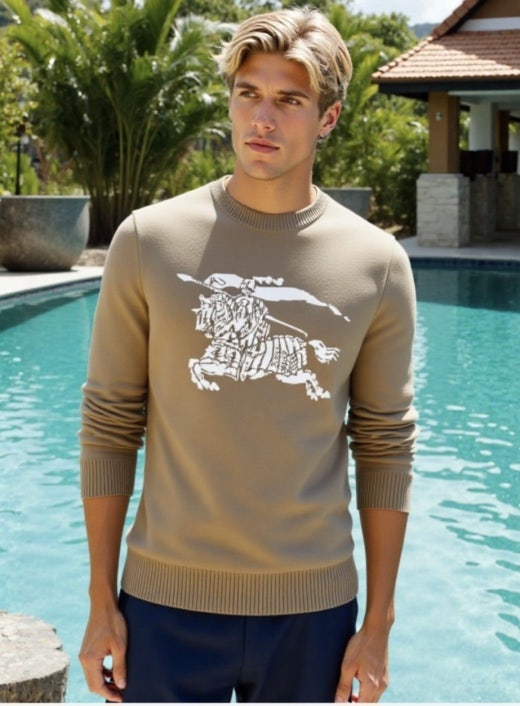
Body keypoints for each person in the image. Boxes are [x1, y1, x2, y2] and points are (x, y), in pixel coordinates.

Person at [78, 6, 417, 703]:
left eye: (289, 101)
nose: (262, 119)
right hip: (162, 607)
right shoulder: (147, 241)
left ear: (327, 118)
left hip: (314, 616)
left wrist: (378, 623)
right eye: (248, 94)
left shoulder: (378, 264)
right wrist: (100, 601)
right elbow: (111, 423)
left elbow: (385, 444)